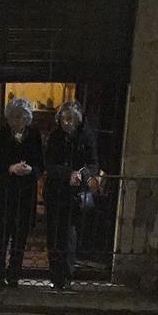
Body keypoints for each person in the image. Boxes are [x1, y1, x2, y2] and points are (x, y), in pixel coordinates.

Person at [43, 100, 98, 290]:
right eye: (64, 119)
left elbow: (93, 163)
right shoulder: (55, 137)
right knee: (53, 235)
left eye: (71, 119)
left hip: (74, 195)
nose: (67, 123)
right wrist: (67, 174)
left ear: (78, 120)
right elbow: (49, 163)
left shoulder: (86, 137)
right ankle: (54, 276)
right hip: (55, 191)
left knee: (69, 236)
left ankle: (66, 276)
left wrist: (83, 174)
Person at [0, 95, 43, 288]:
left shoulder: (34, 135)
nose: (16, 121)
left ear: (27, 118)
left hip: (25, 194)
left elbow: (40, 164)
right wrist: (10, 168)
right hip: (5, 193)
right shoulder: (3, 134)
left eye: (20, 117)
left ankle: (14, 276)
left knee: (20, 237)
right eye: (13, 117)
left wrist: (30, 170)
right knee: (0, 236)